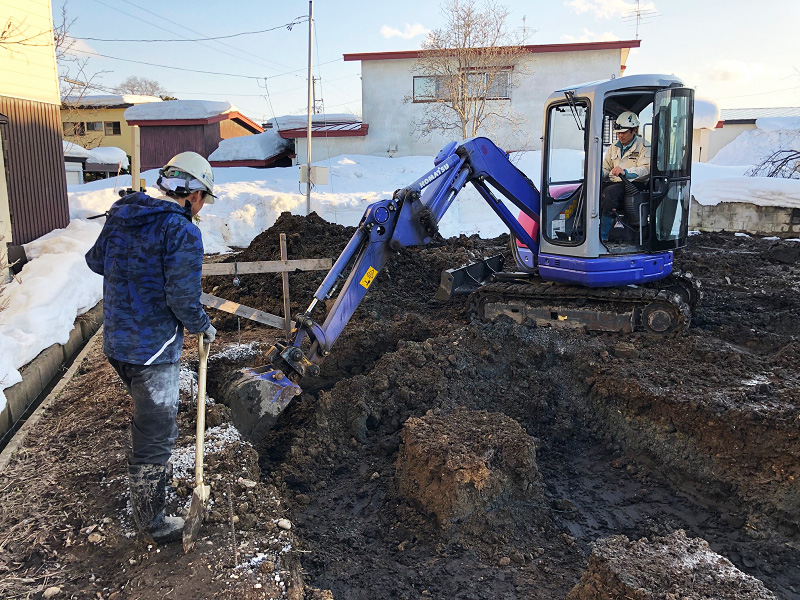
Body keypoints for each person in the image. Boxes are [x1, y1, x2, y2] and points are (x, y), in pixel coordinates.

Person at [85, 151, 217, 543]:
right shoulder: (182, 232)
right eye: (204, 198)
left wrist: (134, 268)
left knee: (148, 423)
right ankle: (152, 521)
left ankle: (148, 485)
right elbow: (181, 297)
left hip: (117, 343)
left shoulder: (123, 212)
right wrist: (203, 326)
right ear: (192, 194)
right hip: (153, 350)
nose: (202, 207)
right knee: (157, 432)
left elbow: (96, 261)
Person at [600, 111, 651, 240]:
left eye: (624, 132)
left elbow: (646, 169)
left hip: (635, 184)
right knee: (588, 188)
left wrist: (626, 172)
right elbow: (606, 167)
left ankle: (603, 236)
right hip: (616, 182)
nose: (620, 135)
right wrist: (597, 176)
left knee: (610, 193)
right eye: (618, 133)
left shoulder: (644, 146)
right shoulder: (613, 147)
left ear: (635, 130)